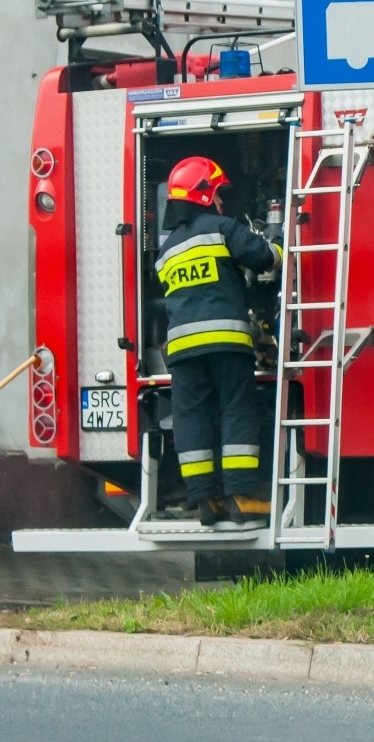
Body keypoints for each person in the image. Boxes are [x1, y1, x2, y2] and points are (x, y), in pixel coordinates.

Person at [157, 156, 280, 530]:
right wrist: (277, 247)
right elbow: (263, 258)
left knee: (191, 418)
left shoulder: (166, 252)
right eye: (219, 194)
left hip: (182, 353)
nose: (223, 202)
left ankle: (204, 498)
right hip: (226, 344)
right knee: (236, 411)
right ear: (206, 195)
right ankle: (241, 496)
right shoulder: (222, 228)